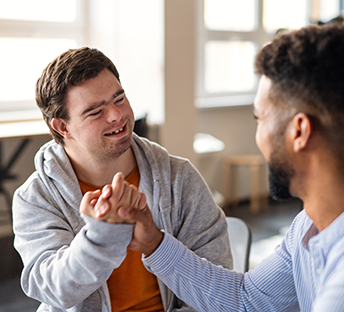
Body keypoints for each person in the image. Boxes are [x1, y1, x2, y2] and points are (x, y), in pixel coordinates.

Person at [87, 24, 344, 311]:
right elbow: (248, 300)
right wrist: (154, 242)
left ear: (299, 131)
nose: (257, 134)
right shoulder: (313, 222)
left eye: (260, 118)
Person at [12, 47, 232, 312]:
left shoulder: (180, 178)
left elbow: (217, 283)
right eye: (95, 111)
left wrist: (157, 243)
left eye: (119, 99)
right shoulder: (36, 197)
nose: (117, 115)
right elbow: (53, 290)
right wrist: (101, 236)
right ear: (62, 127)